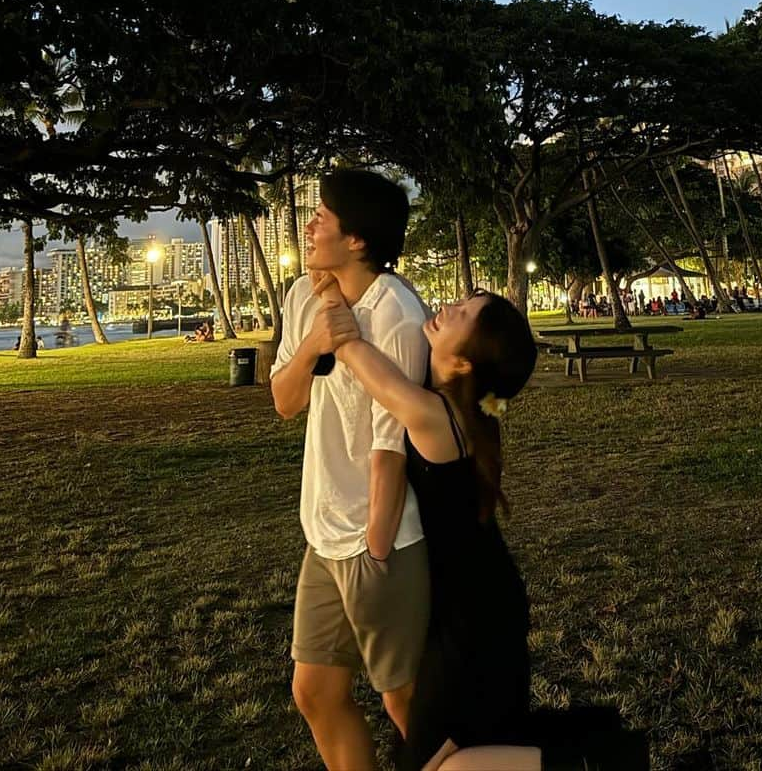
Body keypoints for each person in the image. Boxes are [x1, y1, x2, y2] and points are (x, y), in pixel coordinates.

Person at [313, 274, 646, 770]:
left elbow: (355, 354)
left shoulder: (433, 415)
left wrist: (331, 291)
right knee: (461, 744)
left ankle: (595, 757)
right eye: (465, 301)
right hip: (472, 602)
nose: (452, 307)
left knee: (435, 762)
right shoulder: (463, 412)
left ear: (464, 361)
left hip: (475, 617)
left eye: (465, 313)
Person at [271, 169, 430, 771]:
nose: (308, 226)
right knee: (315, 691)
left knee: (404, 700)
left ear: (358, 238)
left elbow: (393, 443)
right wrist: (315, 341)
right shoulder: (304, 295)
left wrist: (378, 546)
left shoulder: (397, 313)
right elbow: (285, 401)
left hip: (378, 536)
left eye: (322, 216)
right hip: (323, 533)